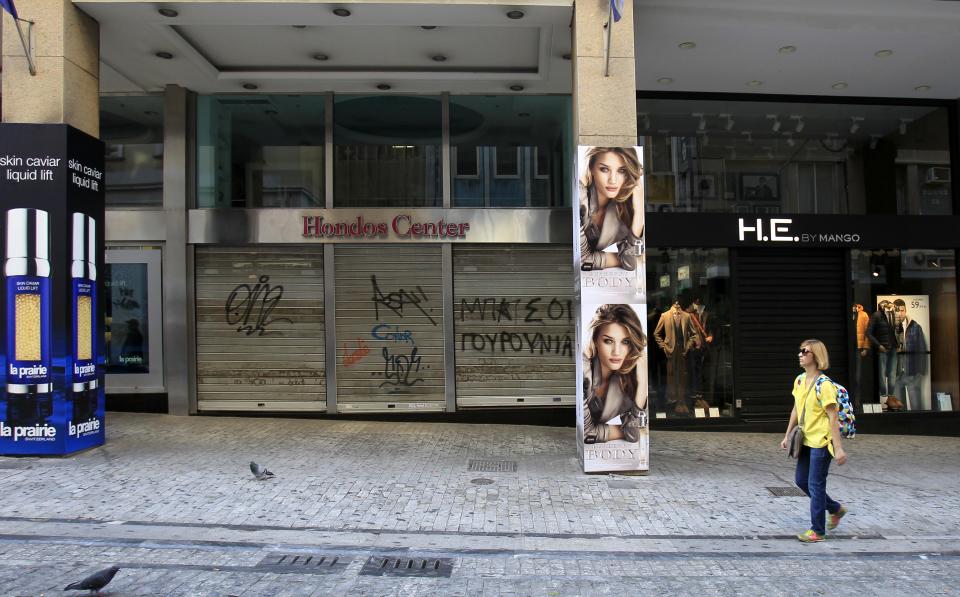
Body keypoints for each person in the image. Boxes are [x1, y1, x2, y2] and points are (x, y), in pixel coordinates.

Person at [779, 339, 848, 543]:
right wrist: (787, 434)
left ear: (816, 357)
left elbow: (833, 417)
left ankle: (817, 531)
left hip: (821, 441)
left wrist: (838, 448)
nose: (800, 354)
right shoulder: (800, 380)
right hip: (806, 439)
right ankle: (835, 509)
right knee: (801, 481)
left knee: (815, 484)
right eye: (800, 351)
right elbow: (796, 409)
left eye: (805, 352)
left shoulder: (824, 385)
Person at [582, 304, 647, 444]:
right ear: (595, 341)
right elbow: (586, 433)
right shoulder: (584, 370)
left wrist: (643, 385)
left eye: (625, 342)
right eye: (608, 341)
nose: (616, 352)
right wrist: (621, 430)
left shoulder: (628, 381)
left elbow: (633, 435)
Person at [579, 147, 644, 271]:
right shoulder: (580, 198)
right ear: (591, 168)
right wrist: (621, 258)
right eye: (604, 169)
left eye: (622, 171)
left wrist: (639, 214)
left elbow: (632, 264)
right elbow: (582, 260)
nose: (612, 180)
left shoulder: (624, 210)